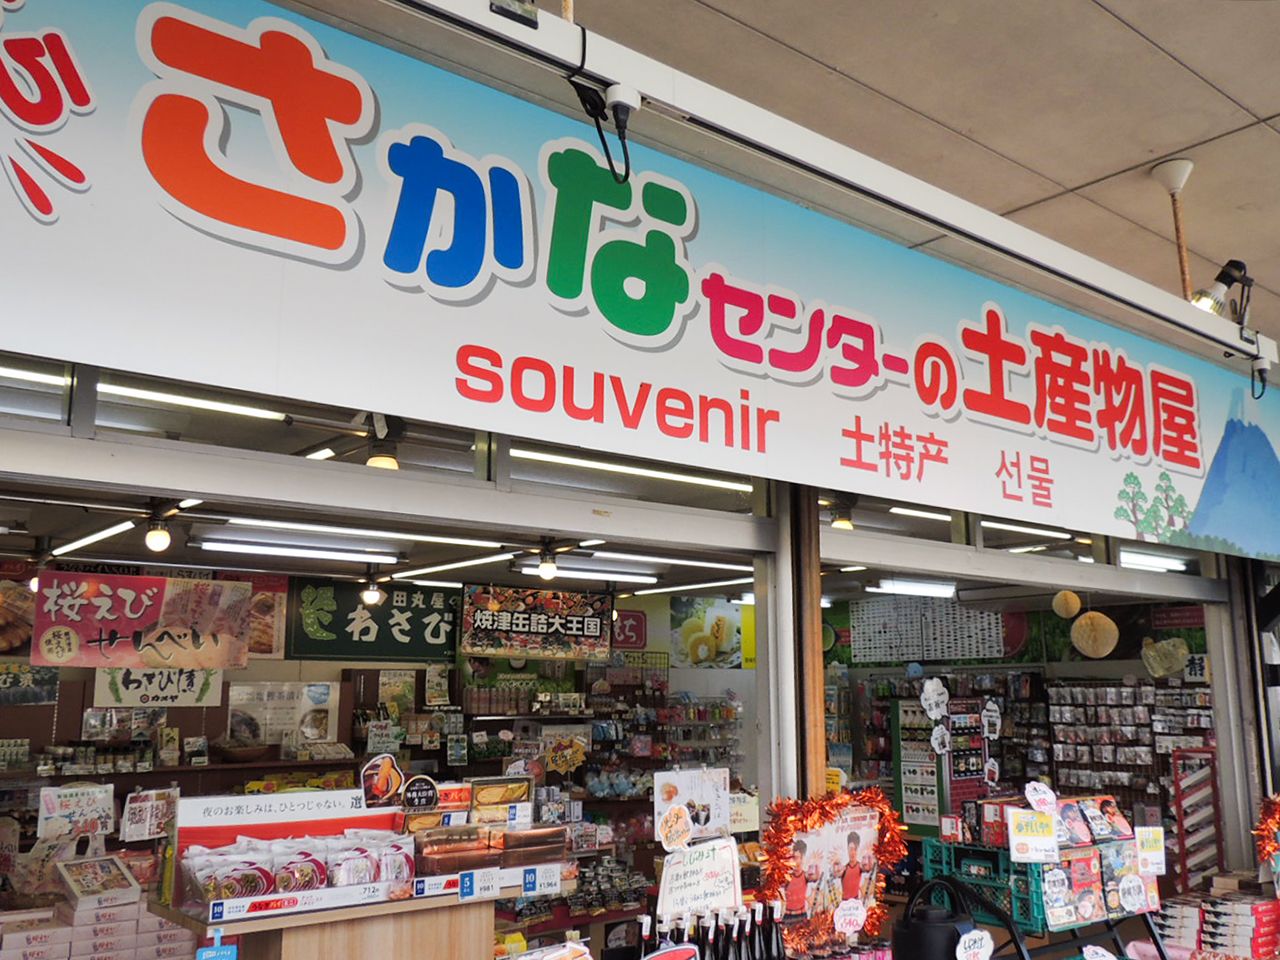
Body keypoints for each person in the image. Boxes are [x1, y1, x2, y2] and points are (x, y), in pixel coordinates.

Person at [784, 839, 809, 917]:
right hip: (788, 915)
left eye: (795, 858)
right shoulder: (787, 876)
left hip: (802, 915)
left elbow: (815, 877)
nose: (792, 861)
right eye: (792, 857)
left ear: (802, 858)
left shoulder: (805, 875)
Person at [841, 832, 862, 903]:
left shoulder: (860, 867)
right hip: (844, 904)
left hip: (856, 903)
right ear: (847, 849)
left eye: (855, 849)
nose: (852, 852)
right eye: (850, 849)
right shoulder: (844, 869)